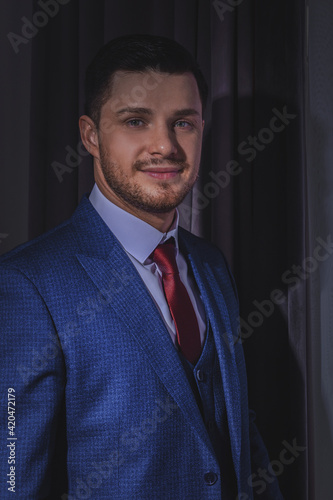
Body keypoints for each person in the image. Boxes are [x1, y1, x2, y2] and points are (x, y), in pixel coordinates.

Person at [0, 34, 283, 499]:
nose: (165, 146)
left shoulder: (211, 265)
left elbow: (237, 429)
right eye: (136, 120)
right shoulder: (27, 285)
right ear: (91, 136)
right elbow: (12, 478)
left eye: (183, 123)